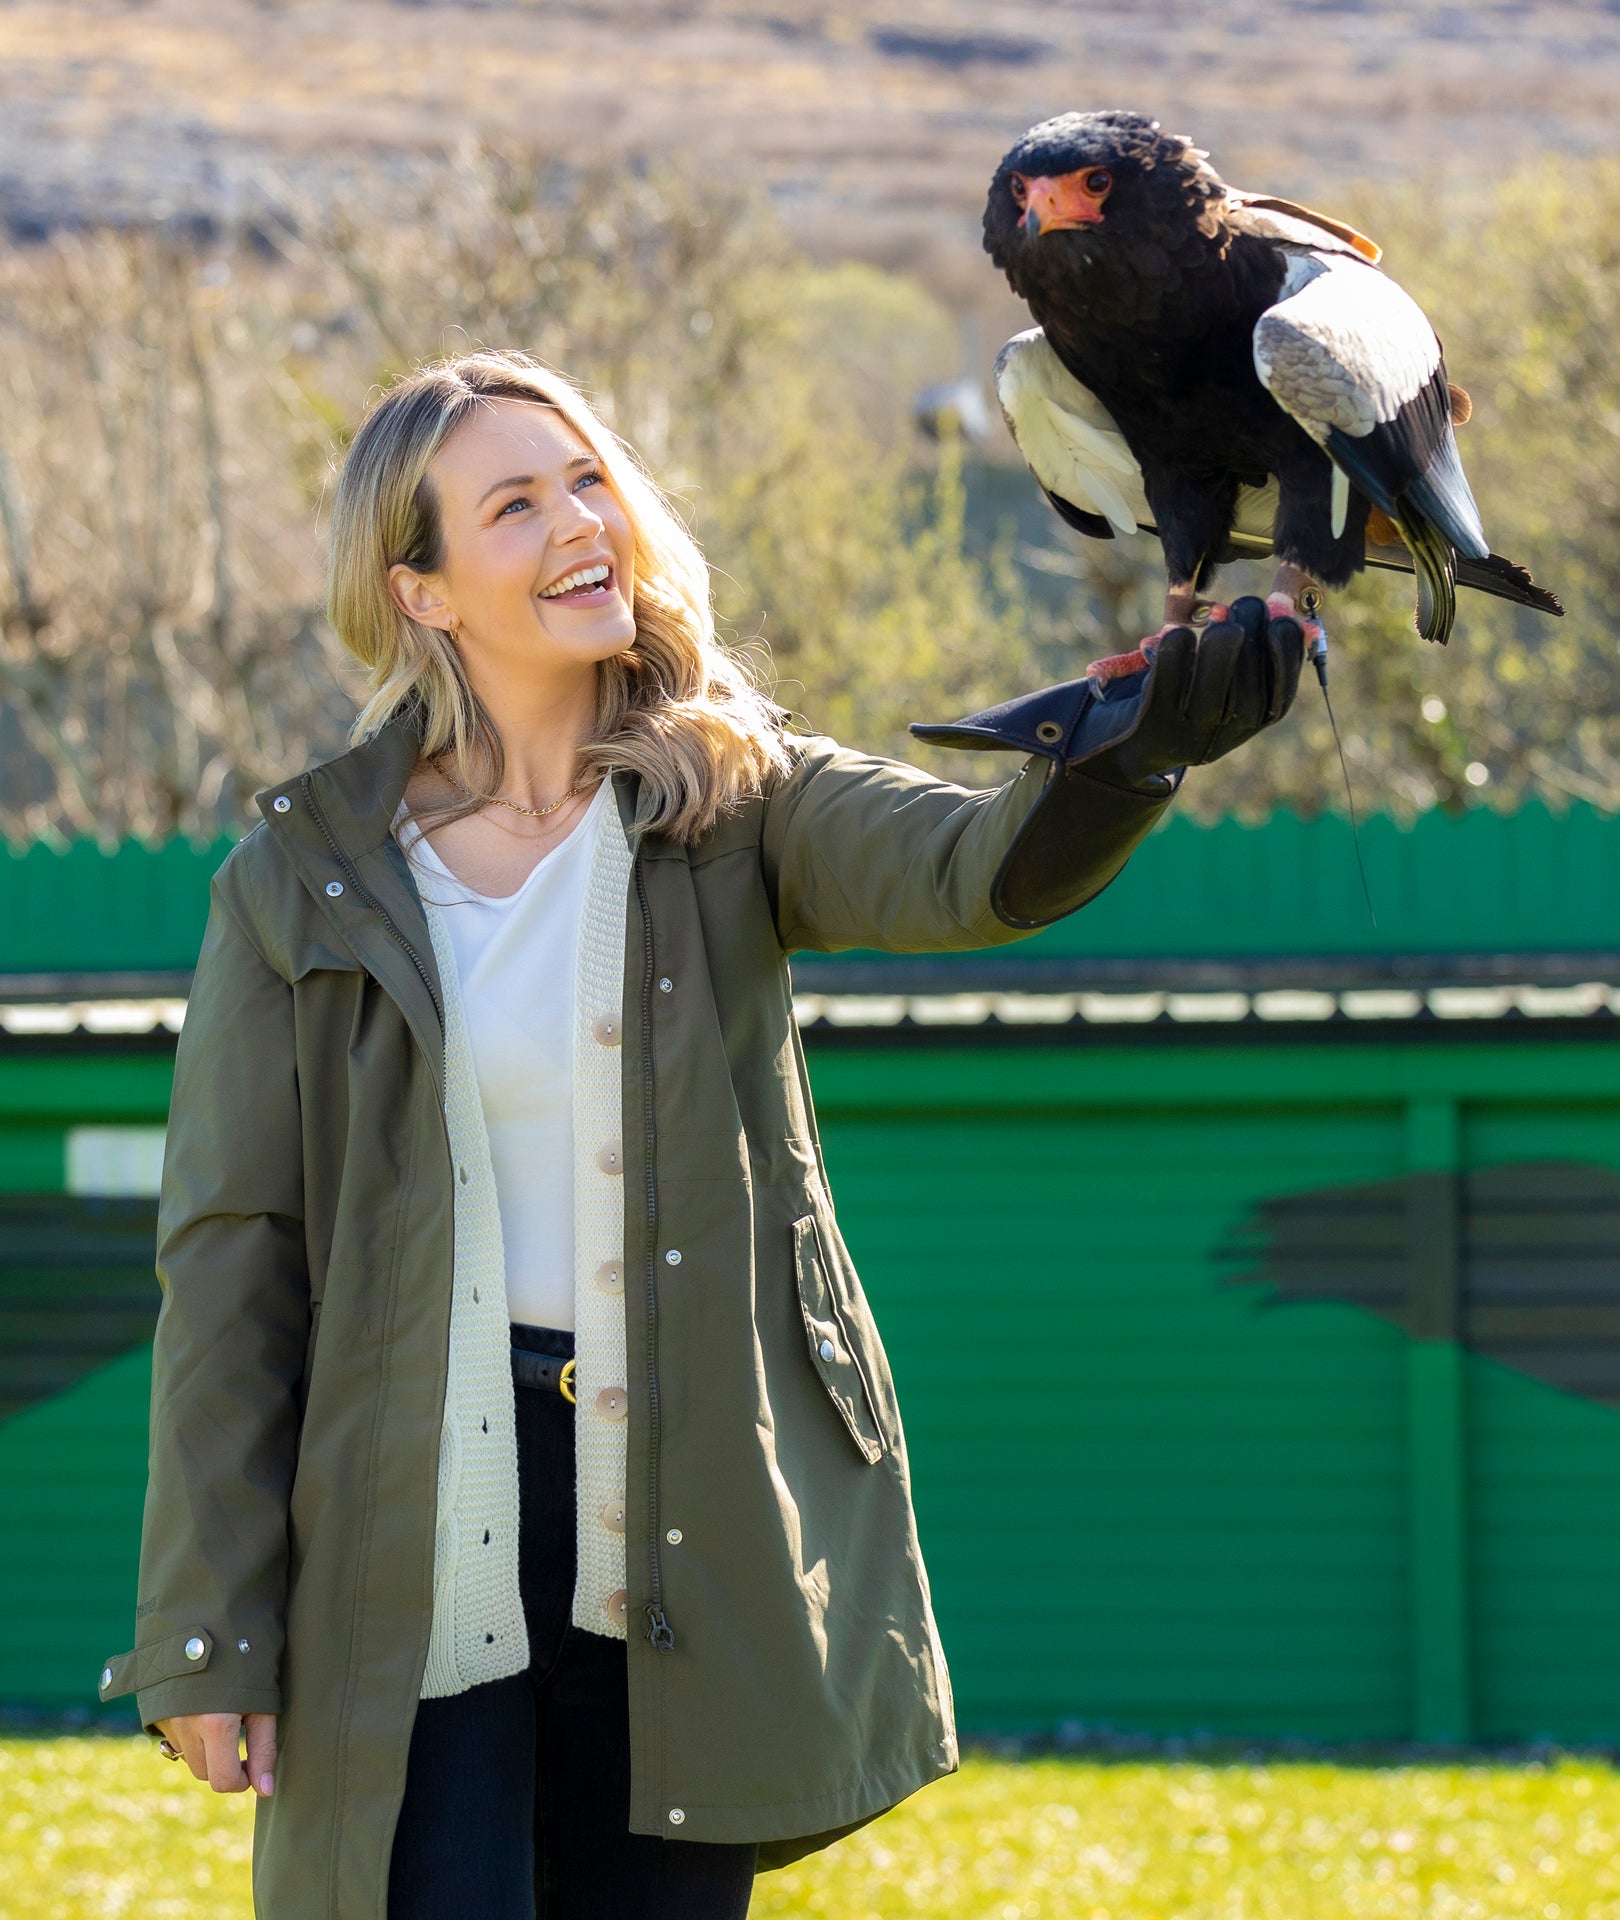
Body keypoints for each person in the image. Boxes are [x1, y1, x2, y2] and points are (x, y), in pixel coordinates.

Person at [97, 350, 1303, 1918]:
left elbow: (974, 869)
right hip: (404, 1508)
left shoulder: (736, 793)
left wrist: (1132, 753)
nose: (578, 520)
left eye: (589, 478)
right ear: (424, 591)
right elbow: (232, 1259)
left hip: (686, 1496)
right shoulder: (303, 869)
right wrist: (210, 1622)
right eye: (514, 504)